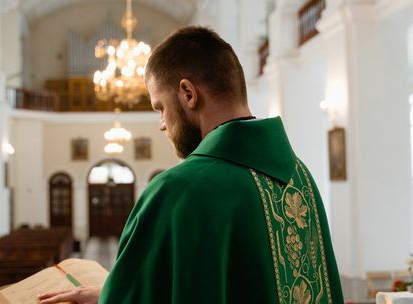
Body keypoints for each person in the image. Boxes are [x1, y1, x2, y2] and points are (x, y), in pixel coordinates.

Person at [39, 26, 344, 304]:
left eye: (160, 107)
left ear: (188, 93)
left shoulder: (177, 190)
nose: (161, 124)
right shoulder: (299, 177)